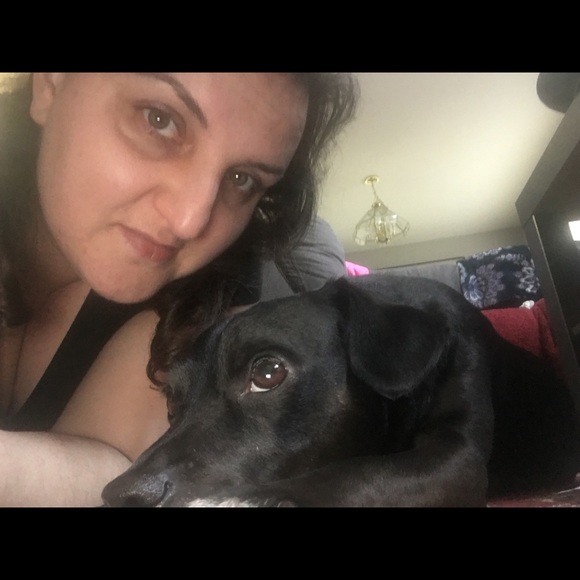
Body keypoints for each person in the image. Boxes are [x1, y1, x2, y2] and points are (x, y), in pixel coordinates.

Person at [0, 72, 359, 506]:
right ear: (50, 83)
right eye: (159, 119)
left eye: (242, 178)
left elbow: (116, 472)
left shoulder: (210, 310)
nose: (190, 219)